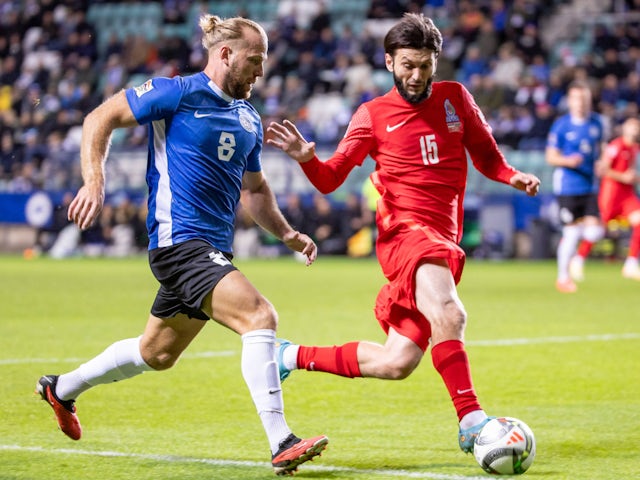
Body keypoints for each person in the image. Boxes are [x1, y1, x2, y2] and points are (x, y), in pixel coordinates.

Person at [35, 15, 328, 476]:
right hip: (179, 244)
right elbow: (101, 117)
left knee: (157, 354)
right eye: (254, 61)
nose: (261, 72)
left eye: (264, 63)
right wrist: (95, 181)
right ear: (225, 54)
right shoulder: (178, 93)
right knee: (260, 316)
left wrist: (288, 234)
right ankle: (281, 441)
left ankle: (61, 388)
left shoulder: (247, 116)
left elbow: (254, 190)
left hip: (211, 249)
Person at [266, 13, 540, 457]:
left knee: (396, 363)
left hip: (442, 238)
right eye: (408, 65)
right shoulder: (372, 114)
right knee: (450, 314)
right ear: (389, 62)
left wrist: (513, 177)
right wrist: (305, 158)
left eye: (426, 65)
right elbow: (330, 179)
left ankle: (288, 356)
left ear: (436, 62)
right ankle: (472, 421)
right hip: (404, 234)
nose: (417, 75)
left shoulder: (456, 99)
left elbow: (487, 157)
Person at [545, 80, 605, 293]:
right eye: (577, 99)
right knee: (571, 234)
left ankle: (576, 258)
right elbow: (551, 156)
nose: (581, 103)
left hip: (589, 186)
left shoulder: (597, 123)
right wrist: (568, 161)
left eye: (584, 99)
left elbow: (601, 149)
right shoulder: (562, 125)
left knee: (595, 232)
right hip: (568, 187)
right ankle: (563, 278)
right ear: (570, 101)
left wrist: (602, 163)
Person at [596, 117, 640, 280]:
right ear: (625, 129)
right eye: (632, 127)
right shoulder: (616, 146)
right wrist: (623, 177)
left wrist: (633, 178)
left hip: (627, 195)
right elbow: (603, 170)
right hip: (611, 194)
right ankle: (578, 258)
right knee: (598, 229)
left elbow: (630, 174)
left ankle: (631, 264)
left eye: (637, 127)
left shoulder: (635, 148)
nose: (635, 130)